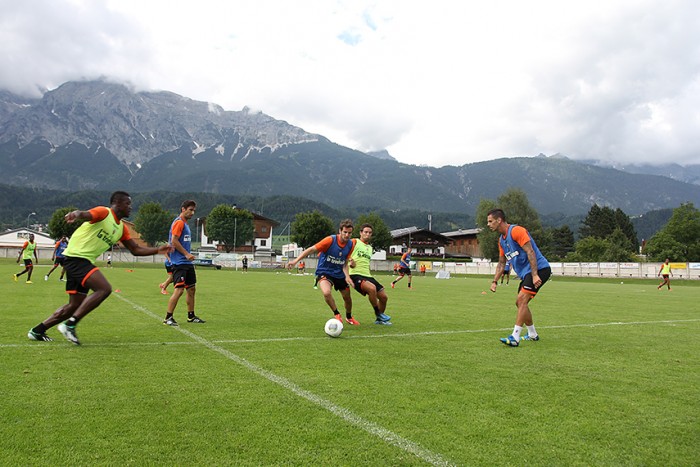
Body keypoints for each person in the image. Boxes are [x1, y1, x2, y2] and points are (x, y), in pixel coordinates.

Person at [27, 191, 172, 344]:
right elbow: (85, 214)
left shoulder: (122, 228)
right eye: (127, 204)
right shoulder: (104, 213)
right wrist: (75, 214)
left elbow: (135, 250)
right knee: (104, 289)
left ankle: (37, 331)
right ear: (116, 203)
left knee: (74, 305)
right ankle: (70, 325)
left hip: (81, 261)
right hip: (75, 258)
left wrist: (158, 250)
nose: (130, 207)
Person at [487, 208, 551, 347]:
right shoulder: (501, 241)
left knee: (522, 299)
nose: (488, 224)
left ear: (499, 220)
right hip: (526, 274)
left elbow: (530, 251)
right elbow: (501, 263)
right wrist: (494, 281)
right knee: (520, 303)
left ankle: (515, 337)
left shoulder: (517, 231)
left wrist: (535, 275)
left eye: (490, 221)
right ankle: (532, 334)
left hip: (540, 269)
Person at [287, 219, 360, 325]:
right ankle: (337, 314)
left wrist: (347, 276)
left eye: (349, 233)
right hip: (324, 271)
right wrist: (295, 261)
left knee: (347, 298)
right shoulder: (330, 240)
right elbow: (311, 249)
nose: (347, 235)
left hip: (339, 273)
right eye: (345, 232)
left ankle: (349, 317)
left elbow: (344, 262)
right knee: (326, 292)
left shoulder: (351, 245)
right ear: (340, 231)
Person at [163, 200, 206, 326]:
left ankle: (191, 316)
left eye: (194, 210)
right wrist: (186, 254)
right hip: (179, 263)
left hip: (187, 263)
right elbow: (174, 241)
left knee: (191, 289)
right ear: (183, 209)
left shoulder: (185, 224)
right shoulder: (179, 223)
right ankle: (168, 317)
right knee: (179, 290)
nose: (192, 213)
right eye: (190, 210)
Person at [348, 223, 392, 325]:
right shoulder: (354, 242)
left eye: (370, 233)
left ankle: (379, 320)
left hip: (367, 275)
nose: (368, 234)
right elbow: (344, 251)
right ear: (360, 233)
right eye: (366, 232)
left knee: (384, 297)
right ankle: (378, 313)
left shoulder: (370, 248)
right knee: (371, 289)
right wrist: (350, 260)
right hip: (355, 274)